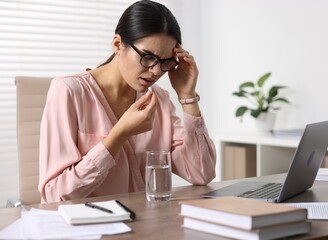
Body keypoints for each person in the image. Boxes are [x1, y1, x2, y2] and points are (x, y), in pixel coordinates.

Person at [38, 0, 216, 203]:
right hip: (88, 230)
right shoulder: (69, 92)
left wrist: (187, 96)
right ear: (117, 44)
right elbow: (54, 196)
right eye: (148, 57)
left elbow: (202, 173)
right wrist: (118, 135)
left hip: (146, 227)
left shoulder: (159, 100)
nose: (156, 71)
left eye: (166, 62)